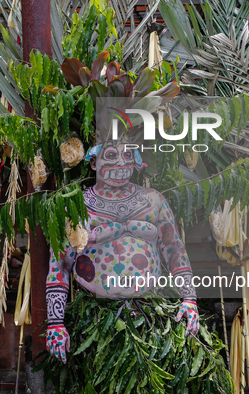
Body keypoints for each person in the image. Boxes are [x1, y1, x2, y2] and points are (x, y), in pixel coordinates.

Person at [45, 140, 200, 363]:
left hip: (151, 313)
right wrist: (56, 323)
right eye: (110, 155)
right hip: (94, 317)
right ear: (94, 163)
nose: (120, 163)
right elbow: (59, 262)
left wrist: (189, 299)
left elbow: (173, 248)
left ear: (137, 161)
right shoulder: (77, 205)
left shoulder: (154, 200)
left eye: (127, 155)